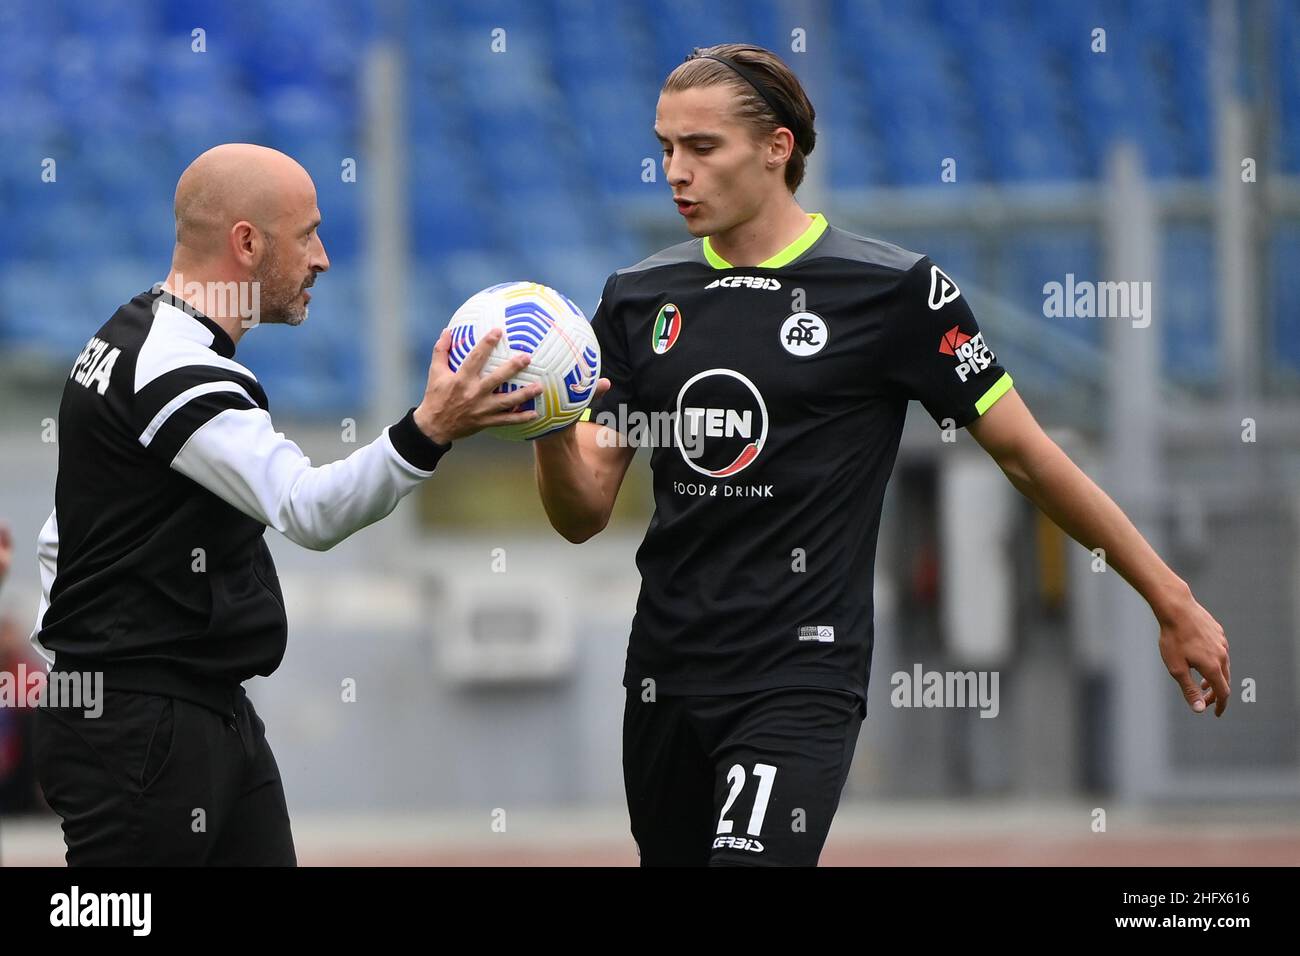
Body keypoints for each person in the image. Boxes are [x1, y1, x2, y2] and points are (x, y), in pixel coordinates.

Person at [533, 44, 1231, 867]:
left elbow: (1028, 456)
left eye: (701, 147)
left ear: (776, 148)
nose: (675, 172)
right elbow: (582, 514)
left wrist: (1170, 597)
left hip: (798, 672)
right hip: (665, 674)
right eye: (665, 149)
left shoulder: (896, 292)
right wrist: (544, 422)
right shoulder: (638, 297)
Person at [30, 143, 542, 865]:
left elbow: (66, 531)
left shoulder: (131, 332)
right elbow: (310, 509)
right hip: (144, 725)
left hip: (190, 709)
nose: (323, 258)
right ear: (247, 242)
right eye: (307, 234)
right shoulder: (177, 372)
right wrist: (430, 429)